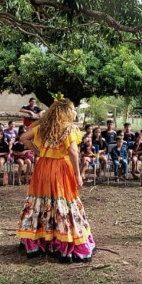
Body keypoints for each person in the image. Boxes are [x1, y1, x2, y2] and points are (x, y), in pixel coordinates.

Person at [16, 97, 94, 263]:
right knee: (62, 202)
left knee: (42, 201)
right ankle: (61, 240)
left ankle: (40, 239)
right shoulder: (69, 128)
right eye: (73, 109)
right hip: (60, 169)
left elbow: (23, 138)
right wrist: (78, 174)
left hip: (43, 168)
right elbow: (73, 152)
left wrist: (39, 153)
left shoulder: (43, 127)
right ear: (66, 112)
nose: (74, 112)